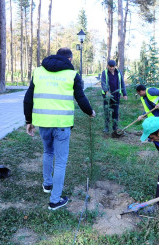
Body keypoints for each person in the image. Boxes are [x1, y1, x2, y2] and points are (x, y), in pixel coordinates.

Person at [23, 48, 96, 210]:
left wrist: (29, 120)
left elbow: (28, 98)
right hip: (62, 125)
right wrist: (90, 112)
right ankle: (55, 200)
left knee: (48, 152)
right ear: (69, 59)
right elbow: (81, 97)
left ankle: (47, 184)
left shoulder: (38, 72)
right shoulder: (72, 75)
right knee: (61, 162)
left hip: (43, 123)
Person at [101, 60, 127, 133]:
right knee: (107, 112)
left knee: (115, 112)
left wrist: (124, 94)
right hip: (107, 96)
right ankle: (106, 127)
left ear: (115, 66)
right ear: (108, 66)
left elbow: (122, 83)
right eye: (110, 66)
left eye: (113, 66)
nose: (111, 68)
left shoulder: (118, 73)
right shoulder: (104, 73)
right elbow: (103, 83)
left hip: (116, 96)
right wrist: (106, 91)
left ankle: (115, 127)